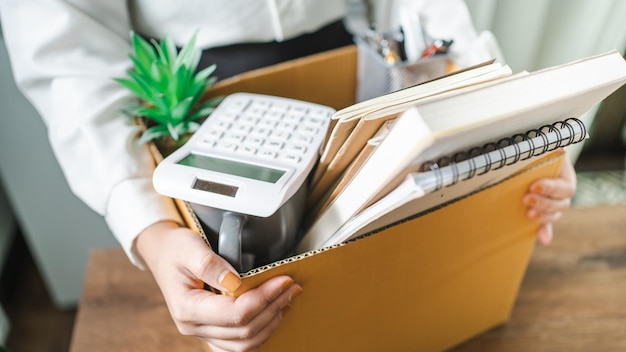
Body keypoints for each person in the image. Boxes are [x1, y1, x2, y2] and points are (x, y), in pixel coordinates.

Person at [0, 1, 576, 351]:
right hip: (189, 88)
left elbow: (428, 12)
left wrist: (509, 134)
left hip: (359, 60)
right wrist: (149, 226)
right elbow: (66, 52)